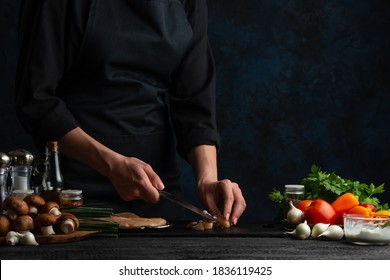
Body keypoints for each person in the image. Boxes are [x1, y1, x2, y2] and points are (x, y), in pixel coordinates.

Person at [14, 0, 246, 223]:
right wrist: (112, 165)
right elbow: (36, 101)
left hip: (159, 192)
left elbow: (195, 106)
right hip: (75, 194)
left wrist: (207, 180)